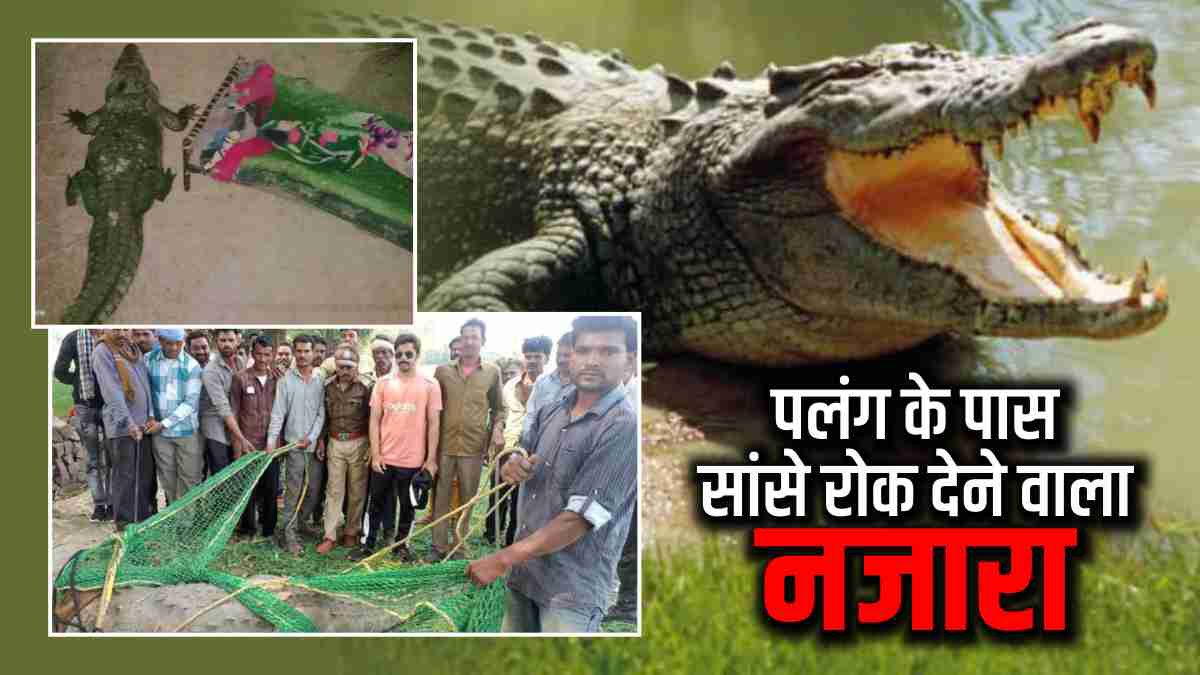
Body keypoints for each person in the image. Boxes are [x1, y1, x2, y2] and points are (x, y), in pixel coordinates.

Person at [466, 316, 638, 634]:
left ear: (629, 362)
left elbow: (578, 519)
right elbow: (520, 449)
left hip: (571, 591)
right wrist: (512, 461)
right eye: (583, 349)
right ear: (570, 355)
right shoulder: (553, 408)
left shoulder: (624, 426)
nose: (592, 360)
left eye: (608, 351)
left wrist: (502, 559)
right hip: (524, 576)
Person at [350, 333, 442, 562]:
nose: (403, 358)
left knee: (408, 507)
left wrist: (430, 460)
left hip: (413, 461)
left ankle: (402, 546)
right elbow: (374, 421)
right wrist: (377, 454)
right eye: (399, 354)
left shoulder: (431, 385)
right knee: (376, 505)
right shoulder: (383, 383)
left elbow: (434, 424)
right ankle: (367, 545)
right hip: (384, 459)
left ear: (417, 356)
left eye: (408, 354)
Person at [430, 318, 506, 561]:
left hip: (474, 447)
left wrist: (497, 429)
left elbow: (499, 409)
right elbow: (432, 409)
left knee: (467, 498)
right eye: (465, 337)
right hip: (444, 445)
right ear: (459, 341)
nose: (470, 342)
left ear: (483, 341)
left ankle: (459, 547)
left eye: (475, 337)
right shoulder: (442, 371)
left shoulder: (492, 372)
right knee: (440, 496)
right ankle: (438, 547)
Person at [485, 335, 551, 546]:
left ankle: (512, 538)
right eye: (528, 356)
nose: (532, 361)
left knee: (520, 500)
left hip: (531, 451)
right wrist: (496, 433)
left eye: (537, 357)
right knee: (496, 493)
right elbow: (500, 414)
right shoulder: (510, 385)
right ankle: (490, 534)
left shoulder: (552, 387)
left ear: (547, 358)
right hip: (505, 448)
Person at [91, 329, 156, 531]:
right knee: (125, 477)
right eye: (115, 327)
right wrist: (128, 423)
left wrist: (151, 415)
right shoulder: (103, 351)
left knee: (144, 476)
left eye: (125, 327)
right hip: (122, 428)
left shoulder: (132, 348)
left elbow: (146, 384)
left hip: (144, 424)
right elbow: (111, 391)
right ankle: (125, 527)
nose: (120, 331)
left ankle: (143, 522)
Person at [266, 335, 326, 555]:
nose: (302, 355)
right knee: (293, 491)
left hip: (312, 446)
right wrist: (272, 442)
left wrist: (312, 437)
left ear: (313, 353)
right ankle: (288, 533)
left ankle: (301, 523)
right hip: (293, 448)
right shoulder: (286, 381)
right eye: (298, 351)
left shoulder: (321, 379)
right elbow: (278, 414)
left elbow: (321, 413)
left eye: (306, 351)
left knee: (313, 490)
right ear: (294, 352)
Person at [314, 345, 371, 554]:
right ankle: (330, 534)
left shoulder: (365, 387)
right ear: (335, 366)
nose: (345, 371)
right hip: (335, 442)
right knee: (334, 490)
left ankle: (351, 532)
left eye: (349, 366)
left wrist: (371, 446)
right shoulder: (327, 387)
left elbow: (371, 419)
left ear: (356, 366)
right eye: (341, 366)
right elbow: (323, 417)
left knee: (357, 490)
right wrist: (321, 440)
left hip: (359, 442)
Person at [54, 329, 110, 522]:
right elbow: (59, 372)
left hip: (90, 404)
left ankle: (100, 507)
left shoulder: (75, 337)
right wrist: (80, 380)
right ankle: (108, 505)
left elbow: (60, 372)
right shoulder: (107, 335)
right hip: (104, 405)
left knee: (94, 459)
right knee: (108, 458)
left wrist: (79, 381)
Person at [229, 336, 281, 539]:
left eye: (267, 354)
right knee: (248, 489)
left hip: (272, 445)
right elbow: (233, 412)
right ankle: (247, 529)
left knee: (271, 489)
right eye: (258, 354)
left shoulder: (278, 378)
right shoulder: (240, 378)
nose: (262, 359)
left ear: (272, 355)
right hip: (248, 443)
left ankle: (269, 531)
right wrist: (238, 444)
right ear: (252, 354)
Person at [144, 328, 204, 505]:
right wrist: (151, 417)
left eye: (179, 343)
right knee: (168, 480)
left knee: (188, 480)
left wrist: (163, 424)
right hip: (160, 435)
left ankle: (186, 527)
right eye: (169, 343)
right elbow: (146, 391)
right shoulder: (149, 360)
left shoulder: (191, 365)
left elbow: (191, 402)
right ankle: (175, 522)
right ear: (160, 341)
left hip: (186, 433)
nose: (174, 347)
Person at [200, 329, 246, 478]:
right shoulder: (210, 371)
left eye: (230, 340)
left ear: (237, 342)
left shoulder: (241, 362)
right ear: (216, 342)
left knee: (238, 472)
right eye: (223, 340)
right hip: (215, 425)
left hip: (236, 423)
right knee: (221, 473)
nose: (227, 344)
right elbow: (223, 409)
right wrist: (241, 438)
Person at [525, 331, 575, 422]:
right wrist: (529, 435)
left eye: (567, 355)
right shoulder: (542, 382)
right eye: (558, 355)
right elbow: (530, 416)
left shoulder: (583, 387)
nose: (561, 360)